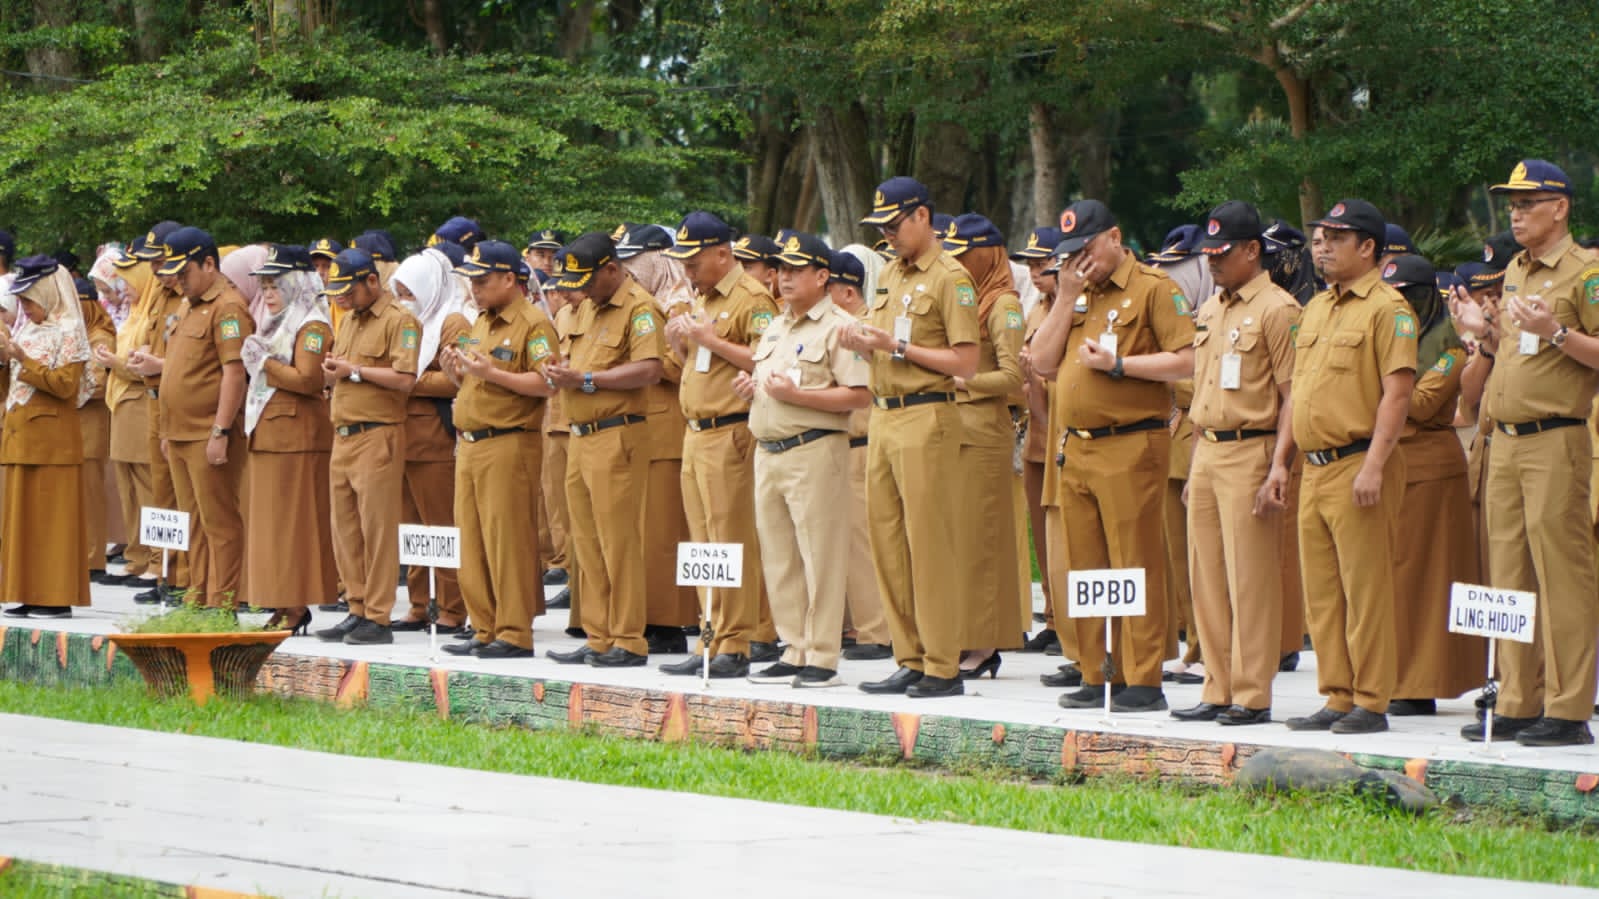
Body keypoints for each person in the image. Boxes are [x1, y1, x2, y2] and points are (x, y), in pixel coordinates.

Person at [1028, 199, 1195, 713]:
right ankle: (1099, 670)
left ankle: (1143, 678)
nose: (1081, 261)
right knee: (1087, 564)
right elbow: (1040, 361)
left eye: (1087, 249)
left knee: (1134, 561)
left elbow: (1187, 358)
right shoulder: (1075, 295)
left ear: (1114, 237)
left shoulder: (1153, 289)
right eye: (1071, 254)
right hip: (1076, 448)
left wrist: (1121, 364)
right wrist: (1065, 298)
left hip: (1131, 443)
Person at [1463, 160, 1599, 746]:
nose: (1515, 212)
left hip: (1555, 438)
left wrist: (1558, 333)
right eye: (1511, 203)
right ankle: (1519, 700)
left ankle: (1569, 710)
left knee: (1562, 575)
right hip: (1506, 442)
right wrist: (1485, 332)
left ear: (1560, 207)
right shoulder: (1516, 268)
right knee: (1509, 574)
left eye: (1528, 202)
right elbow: (1521, 352)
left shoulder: (1586, 272)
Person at [839, 176, 979, 699]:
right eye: (882, 227)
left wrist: (896, 347)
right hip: (884, 415)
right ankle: (911, 656)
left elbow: (965, 361)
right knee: (888, 543)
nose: (889, 235)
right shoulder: (890, 275)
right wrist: (861, 339)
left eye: (894, 225)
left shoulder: (951, 277)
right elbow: (880, 340)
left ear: (923, 216)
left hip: (927, 416)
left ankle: (943, 664)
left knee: (929, 545)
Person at [1285, 199, 1416, 735]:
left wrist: (1375, 465)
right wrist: (1282, 463)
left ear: (1367, 247)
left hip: (1358, 461)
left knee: (1365, 590)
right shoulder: (1316, 307)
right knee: (1322, 591)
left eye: (1335, 238)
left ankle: (1371, 699)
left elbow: (1398, 392)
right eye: (1319, 237)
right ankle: (1337, 694)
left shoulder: (1389, 308)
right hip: (1314, 468)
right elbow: (1299, 391)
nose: (1321, 246)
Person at [1173, 201, 1299, 726]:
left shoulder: (1279, 309)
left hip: (1253, 447)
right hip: (1210, 451)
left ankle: (1251, 693)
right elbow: (1204, 386)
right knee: (1206, 577)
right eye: (1208, 254)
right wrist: (1198, 456)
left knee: (1249, 579)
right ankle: (1216, 685)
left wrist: (1279, 467)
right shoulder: (1211, 309)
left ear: (1253, 251)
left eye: (1222, 254)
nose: (1212, 263)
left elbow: (1293, 395)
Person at [741, 231, 871, 687]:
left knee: (820, 556)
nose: (786, 278)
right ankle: (793, 648)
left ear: (822, 275)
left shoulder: (838, 326)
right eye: (782, 269)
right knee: (779, 557)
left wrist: (797, 395)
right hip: (769, 451)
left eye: (797, 270)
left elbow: (858, 394)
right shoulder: (777, 325)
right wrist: (754, 390)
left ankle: (822, 655)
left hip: (814, 449)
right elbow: (774, 382)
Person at [659, 212, 779, 678]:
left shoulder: (751, 298)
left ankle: (736, 642)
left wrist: (708, 338)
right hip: (695, 431)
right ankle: (710, 636)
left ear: (723, 254)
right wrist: (683, 343)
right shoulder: (699, 298)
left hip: (730, 431)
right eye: (683, 261)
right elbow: (701, 361)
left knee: (731, 540)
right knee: (704, 542)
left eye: (694, 260)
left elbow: (766, 355)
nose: (687, 270)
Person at [542, 232, 665, 668]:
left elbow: (650, 369)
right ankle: (598, 636)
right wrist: (561, 374)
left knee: (619, 541)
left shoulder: (640, 308)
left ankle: (628, 639)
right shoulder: (585, 309)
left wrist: (588, 380)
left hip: (617, 433)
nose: (581, 290)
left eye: (588, 280)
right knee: (586, 542)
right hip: (579, 434)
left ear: (612, 269)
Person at [440, 240, 559, 659]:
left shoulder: (533, 323)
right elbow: (478, 383)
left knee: (505, 539)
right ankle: (485, 625)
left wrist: (491, 372)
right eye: (472, 281)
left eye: (484, 280)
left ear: (511, 278)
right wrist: (457, 374)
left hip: (508, 442)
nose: (475, 289)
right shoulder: (481, 321)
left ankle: (513, 631)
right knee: (471, 539)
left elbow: (547, 383)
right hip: (471, 443)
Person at [1379, 254, 1484, 715]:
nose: (1398, 304)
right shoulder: (1385, 338)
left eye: (1406, 295)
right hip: (1389, 465)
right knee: (1391, 578)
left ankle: (1419, 684)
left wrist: (1357, 392)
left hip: (1429, 469)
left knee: (1422, 579)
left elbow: (1420, 403)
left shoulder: (1448, 345)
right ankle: (1393, 676)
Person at [314, 248, 420, 646]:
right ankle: (355, 606)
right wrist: (334, 375)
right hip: (343, 434)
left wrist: (352, 372)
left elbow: (405, 377)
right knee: (346, 529)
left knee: (377, 529)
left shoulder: (400, 321)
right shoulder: (350, 321)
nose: (341, 298)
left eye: (348, 290)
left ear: (371, 281)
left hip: (378, 435)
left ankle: (378, 616)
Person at [942, 214, 1027, 678]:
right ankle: (961, 636)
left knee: (981, 542)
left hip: (984, 434)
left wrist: (963, 380)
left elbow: (1015, 380)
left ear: (988, 253)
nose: (957, 261)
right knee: (957, 541)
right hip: (955, 433)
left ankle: (984, 643)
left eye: (964, 253)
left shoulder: (1004, 305)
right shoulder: (964, 302)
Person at [151, 226, 253, 609]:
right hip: (179, 433)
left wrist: (221, 430)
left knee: (219, 523)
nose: (178, 280)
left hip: (206, 432)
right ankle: (198, 598)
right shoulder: (187, 304)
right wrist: (166, 429)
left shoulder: (228, 306)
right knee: (192, 523)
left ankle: (222, 604)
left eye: (185, 271)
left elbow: (234, 372)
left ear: (209, 264)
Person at [239, 246, 335, 632]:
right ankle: (279, 601)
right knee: (271, 526)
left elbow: (308, 380)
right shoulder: (276, 322)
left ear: (296, 283)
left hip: (297, 436)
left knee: (292, 525)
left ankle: (295, 606)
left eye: (275, 284)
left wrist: (265, 363)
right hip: (270, 436)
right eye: (263, 285)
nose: (268, 292)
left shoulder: (312, 325)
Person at [618, 227, 703, 656]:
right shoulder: (639, 305)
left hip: (668, 426)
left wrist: (652, 363)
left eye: (634, 259)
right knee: (645, 530)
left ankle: (669, 622)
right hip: (642, 427)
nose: (628, 270)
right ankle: (649, 616)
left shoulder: (677, 303)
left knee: (664, 532)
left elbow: (685, 365)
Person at [0, 257, 93, 619]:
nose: (25, 309)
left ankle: (54, 597)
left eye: (29, 301)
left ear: (47, 294)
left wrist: (24, 359)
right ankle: (25, 591)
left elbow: (66, 386)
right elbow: (13, 384)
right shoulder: (28, 331)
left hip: (53, 442)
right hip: (22, 438)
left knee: (53, 524)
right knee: (22, 523)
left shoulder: (69, 330)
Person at [389, 248, 470, 635]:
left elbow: (459, 377)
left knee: (441, 525)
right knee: (412, 527)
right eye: (400, 292)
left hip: (435, 439)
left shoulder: (451, 321)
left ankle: (453, 608)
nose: (405, 301)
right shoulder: (406, 324)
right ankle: (419, 604)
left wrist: (409, 381)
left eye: (410, 292)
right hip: (402, 437)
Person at [826, 246, 893, 660]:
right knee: (844, 543)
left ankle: (875, 632)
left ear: (848, 293)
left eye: (827, 287)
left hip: (864, 443)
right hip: (840, 445)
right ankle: (854, 625)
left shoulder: (864, 329)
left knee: (863, 542)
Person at [122, 221, 191, 603]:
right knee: (161, 494)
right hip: (155, 402)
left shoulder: (190, 298)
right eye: (150, 262)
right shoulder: (160, 296)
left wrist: (158, 365)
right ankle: (165, 573)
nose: (155, 269)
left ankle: (184, 577)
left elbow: (196, 362)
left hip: (181, 406)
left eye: (161, 260)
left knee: (183, 496)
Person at [1010, 227, 1071, 663]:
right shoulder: (1034, 310)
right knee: (1042, 532)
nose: (1034, 271)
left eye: (1041, 263)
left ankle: (1070, 623)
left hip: (1064, 432)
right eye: (1028, 264)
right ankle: (1051, 616)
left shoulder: (1072, 309)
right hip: (1036, 432)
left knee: (1067, 533)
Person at [96, 249, 158, 591]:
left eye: (129, 280)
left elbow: (141, 367)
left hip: (139, 404)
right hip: (122, 405)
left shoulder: (152, 314)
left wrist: (114, 362)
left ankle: (155, 558)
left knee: (148, 486)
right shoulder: (134, 312)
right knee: (128, 486)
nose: (124, 286)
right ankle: (136, 557)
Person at [74, 276, 116, 583]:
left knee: (91, 496)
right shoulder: (80, 335)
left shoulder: (99, 336)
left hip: (92, 428)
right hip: (77, 430)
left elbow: (98, 384)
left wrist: (62, 389)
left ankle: (94, 559)